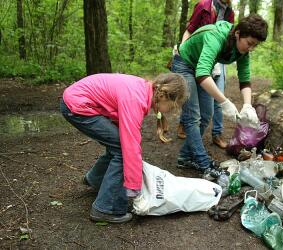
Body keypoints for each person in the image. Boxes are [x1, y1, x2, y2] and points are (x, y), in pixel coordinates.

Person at [60, 73, 188, 223]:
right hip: (77, 104)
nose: (172, 111)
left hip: (77, 99)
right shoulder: (136, 98)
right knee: (122, 149)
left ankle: (96, 179)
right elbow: (131, 147)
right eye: (173, 106)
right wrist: (134, 188)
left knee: (117, 144)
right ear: (164, 96)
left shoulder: (143, 90)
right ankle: (106, 208)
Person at [172, 14, 268, 178]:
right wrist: (224, 102)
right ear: (238, 33)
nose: (251, 49)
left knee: (206, 115)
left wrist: (247, 105)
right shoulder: (216, 36)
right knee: (193, 116)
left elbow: (244, 79)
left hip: (201, 68)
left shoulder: (243, 50)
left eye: (255, 46)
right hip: (184, 63)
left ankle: (185, 157)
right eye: (249, 44)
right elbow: (202, 74)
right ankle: (204, 163)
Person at [176, 0, 235, 149]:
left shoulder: (230, 12)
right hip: (197, 51)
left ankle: (217, 133)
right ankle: (185, 124)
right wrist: (183, 49)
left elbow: (230, 37)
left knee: (218, 95)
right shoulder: (204, 5)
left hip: (217, 56)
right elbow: (190, 29)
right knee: (191, 99)